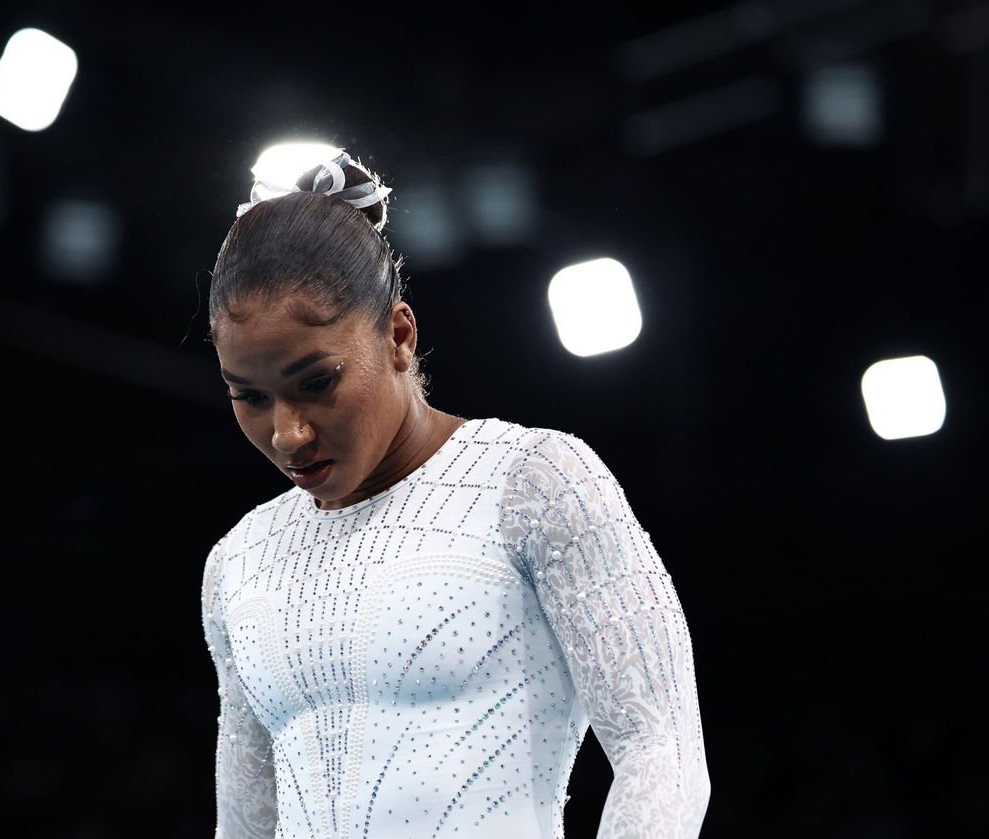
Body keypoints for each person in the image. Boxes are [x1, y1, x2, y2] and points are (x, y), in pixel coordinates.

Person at [199, 150, 710, 838]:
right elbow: (244, 826)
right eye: (250, 397)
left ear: (399, 335)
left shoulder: (536, 481)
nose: (287, 433)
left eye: (315, 382)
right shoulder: (238, 562)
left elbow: (663, 749)